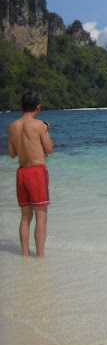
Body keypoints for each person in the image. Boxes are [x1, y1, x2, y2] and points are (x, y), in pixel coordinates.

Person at [7, 91, 54, 258]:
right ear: (38, 107)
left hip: (22, 172)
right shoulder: (39, 124)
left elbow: (12, 154)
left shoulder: (12, 126)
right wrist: (46, 130)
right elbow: (49, 149)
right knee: (41, 216)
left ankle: (25, 254)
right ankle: (40, 255)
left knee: (25, 216)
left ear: (21, 106)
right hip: (37, 171)